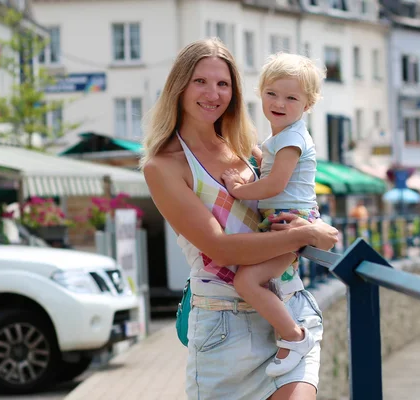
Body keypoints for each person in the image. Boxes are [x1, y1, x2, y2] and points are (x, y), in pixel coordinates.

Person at [141, 38, 338, 400]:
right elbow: (220, 248)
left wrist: (310, 223)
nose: (212, 93)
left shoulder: (246, 147)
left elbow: (291, 193)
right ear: (179, 86)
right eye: (200, 81)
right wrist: (306, 235)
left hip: (289, 310)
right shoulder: (163, 166)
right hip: (225, 327)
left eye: (223, 84)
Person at [220, 52, 324, 378]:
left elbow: (275, 183)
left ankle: (294, 336)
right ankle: (288, 332)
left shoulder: (292, 138)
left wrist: (238, 189)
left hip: (287, 220)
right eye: (272, 93)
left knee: (247, 280)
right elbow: (269, 160)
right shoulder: (281, 135)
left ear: (307, 105)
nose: (279, 102)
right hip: (281, 220)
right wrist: (250, 150)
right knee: (259, 278)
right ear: (261, 92)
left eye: (291, 97)